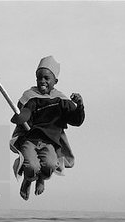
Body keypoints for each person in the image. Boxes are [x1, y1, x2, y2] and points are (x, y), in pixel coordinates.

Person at [10, 56, 85, 200]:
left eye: (46, 78)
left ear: (55, 81)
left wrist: (79, 105)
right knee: (32, 166)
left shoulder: (61, 100)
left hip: (50, 142)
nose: (42, 81)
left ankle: (41, 179)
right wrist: (22, 117)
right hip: (30, 139)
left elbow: (76, 120)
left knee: (50, 165)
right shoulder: (30, 96)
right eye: (39, 78)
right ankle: (28, 180)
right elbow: (24, 112)